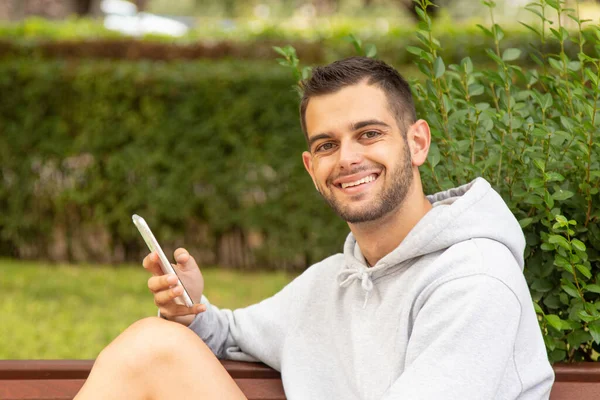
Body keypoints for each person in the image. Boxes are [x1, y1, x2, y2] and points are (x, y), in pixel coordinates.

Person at [75, 56, 555, 399]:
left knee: (152, 349)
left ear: (417, 142)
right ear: (310, 166)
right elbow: (228, 334)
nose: (347, 158)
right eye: (327, 145)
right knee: (154, 343)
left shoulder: (475, 279)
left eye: (369, 134)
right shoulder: (330, 284)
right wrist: (190, 310)